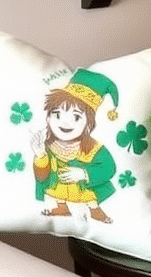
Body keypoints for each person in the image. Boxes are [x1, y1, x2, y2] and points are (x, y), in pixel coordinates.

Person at [31, 69, 118, 223]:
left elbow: (109, 168)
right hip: (60, 185)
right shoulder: (50, 144)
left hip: (81, 187)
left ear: (89, 124)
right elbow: (42, 176)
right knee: (54, 187)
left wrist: (84, 174)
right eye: (57, 114)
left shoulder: (93, 148)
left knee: (90, 195)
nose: (64, 123)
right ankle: (62, 207)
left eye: (76, 117)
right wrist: (40, 155)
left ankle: (95, 210)